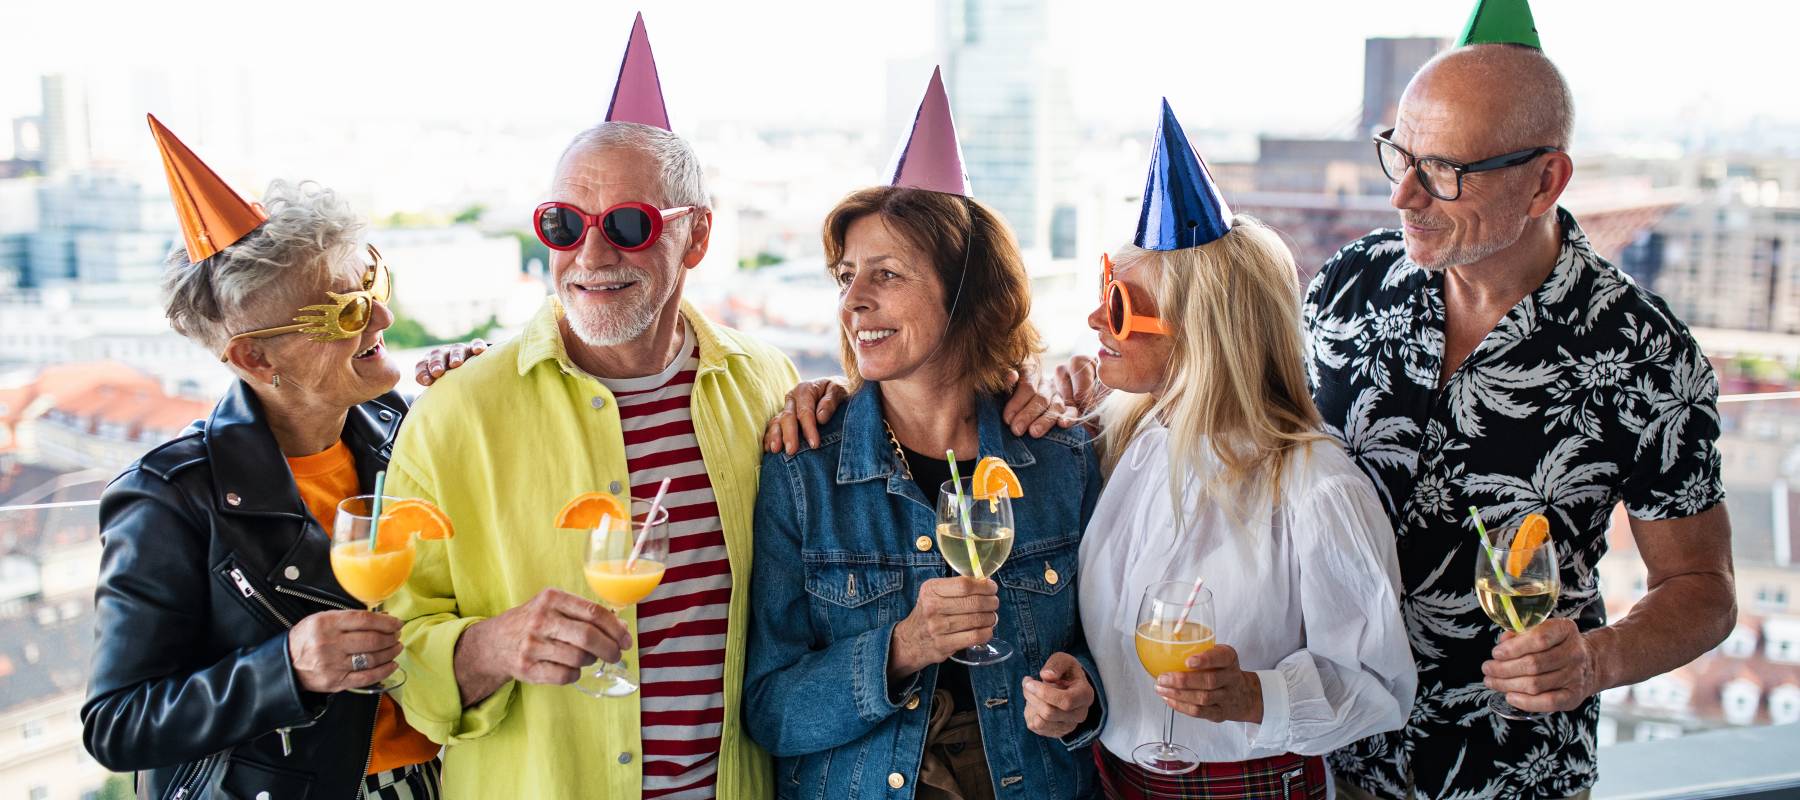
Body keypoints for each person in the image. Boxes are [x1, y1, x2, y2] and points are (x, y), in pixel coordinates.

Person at [1304, 10, 1737, 795]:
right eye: (1398, 153)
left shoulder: (1646, 354)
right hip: (1322, 751)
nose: (1404, 194)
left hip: (1508, 769)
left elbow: (1703, 590)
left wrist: (1595, 659)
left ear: (1546, 180)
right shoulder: (1347, 284)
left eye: (1443, 171)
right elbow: (1247, 434)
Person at [382, 16, 793, 799]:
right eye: (563, 224)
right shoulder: (455, 412)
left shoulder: (768, 386)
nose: (592, 256)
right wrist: (489, 647)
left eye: (630, 227)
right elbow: (396, 655)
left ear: (697, 237)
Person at [741, 68, 1104, 800]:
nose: (854, 302)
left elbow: (1104, 655)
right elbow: (769, 711)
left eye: (887, 274)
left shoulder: (1063, 459)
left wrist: (1083, 698)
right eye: (846, 275)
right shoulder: (802, 469)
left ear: (966, 289)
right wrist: (901, 648)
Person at [83, 116, 440, 798]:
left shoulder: (406, 428)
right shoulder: (169, 494)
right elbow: (116, 724)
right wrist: (286, 670)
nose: (381, 321)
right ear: (253, 357)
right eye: (342, 312)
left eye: (375, 286)